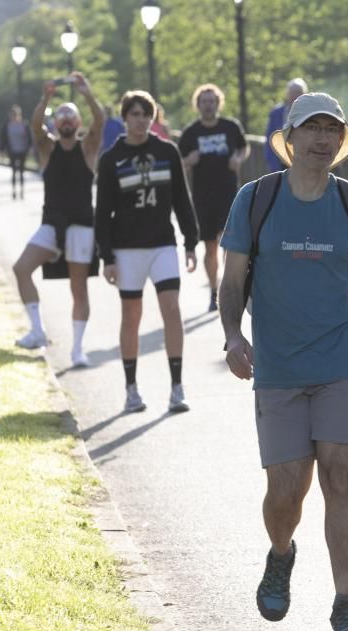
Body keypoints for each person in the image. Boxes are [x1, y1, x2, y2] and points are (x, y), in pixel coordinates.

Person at [218, 92, 348, 631]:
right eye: (311, 129)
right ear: (289, 141)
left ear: (341, 142)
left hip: (339, 362)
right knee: (286, 491)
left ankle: (345, 606)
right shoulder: (256, 199)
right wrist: (233, 334)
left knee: (341, 477)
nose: (322, 139)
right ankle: (281, 554)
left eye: (332, 130)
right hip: (279, 367)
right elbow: (233, 280)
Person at [95, 90, 199, 413]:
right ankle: (131, 389)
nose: (140, 120)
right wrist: (107, 257)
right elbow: (102, 214)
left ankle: (177, 388)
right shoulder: (111, 159)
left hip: (162, 245)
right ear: (125, 118)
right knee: (132, 316)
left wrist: (191, 241)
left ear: (153, 118)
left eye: (146, 114)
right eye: (135, 114)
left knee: (171, 308)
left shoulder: (167, 151)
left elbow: (182, 200)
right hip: (127, 249)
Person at [12, 74, 104, 367]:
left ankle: (77, 349)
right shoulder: (47, 148)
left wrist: (87, 95)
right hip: (52, 223)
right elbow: (35, 127)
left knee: (78, 288)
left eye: (70, 119)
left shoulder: (87, 148)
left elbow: (100, 122)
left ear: (77, 124)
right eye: (61, 119)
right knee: (21, 268)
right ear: (57, 124)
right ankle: (37, 330)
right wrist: (46, 97)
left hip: (80, 226)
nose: (65, 123)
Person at [179, 84, 249, 312]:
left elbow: (243, 147)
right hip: (202, 195)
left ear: (218, 103)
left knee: (229, 244)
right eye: (204, 101)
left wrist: (238, 159)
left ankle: (231, 289)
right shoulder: (190, 133)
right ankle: (213, 290)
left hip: (228, 193)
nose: (208, 105)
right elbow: (178, 163)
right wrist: (189, 160)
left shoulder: (230, 127)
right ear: (197, 105)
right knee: (210, 247)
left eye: (212, 101)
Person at [263, 78, 307, 172]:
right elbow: (269, 138)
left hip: (305, 165)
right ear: (287, 94)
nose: (295, 96)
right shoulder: (276, 113)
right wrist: (272, 164)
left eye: (298, 92)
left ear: (304, 94)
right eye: (293, 92)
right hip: (280, 164)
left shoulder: (311, 114)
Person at [0, 105, 32, 200]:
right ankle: (14, 191)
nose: (13, 116)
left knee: (21, 172)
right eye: (11, 115)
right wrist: (2, 150)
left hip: (22, 150)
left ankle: (22, 191)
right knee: (14, 171)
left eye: (14, 115)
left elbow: (29, 137)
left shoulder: (24, 124)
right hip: (12, 150)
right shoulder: (7, 125)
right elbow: (3, 139)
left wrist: (30, 147)